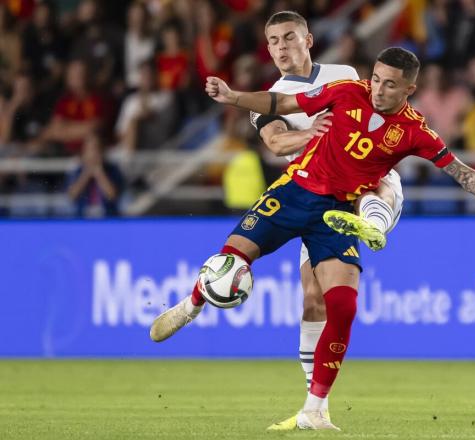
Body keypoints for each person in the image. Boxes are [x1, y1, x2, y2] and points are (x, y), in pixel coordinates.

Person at [168, 46, 475, 430]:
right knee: (231, 259)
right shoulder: (348, 90)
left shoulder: (415, 131)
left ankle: (314, 410)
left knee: (344, 306)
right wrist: (233, 97)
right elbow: (282, 102)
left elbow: (464, 174)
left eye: (390, 85)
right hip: (294, 191)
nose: (378, 90)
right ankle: (193, 304)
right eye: (377, 79)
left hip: (336, 214)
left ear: (410, 89)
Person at [151, 11, 406, 431]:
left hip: (345, 193)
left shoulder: (344, 75)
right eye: (273, 41)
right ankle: (191, 304)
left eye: (289, 37)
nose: (282, 46)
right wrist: (313, 135)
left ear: (308, 39)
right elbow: (274, 142)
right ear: (268, 49)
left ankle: (315, 408)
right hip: (303, 192)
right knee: (306, 297)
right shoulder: (267, 98)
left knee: (372, 203)